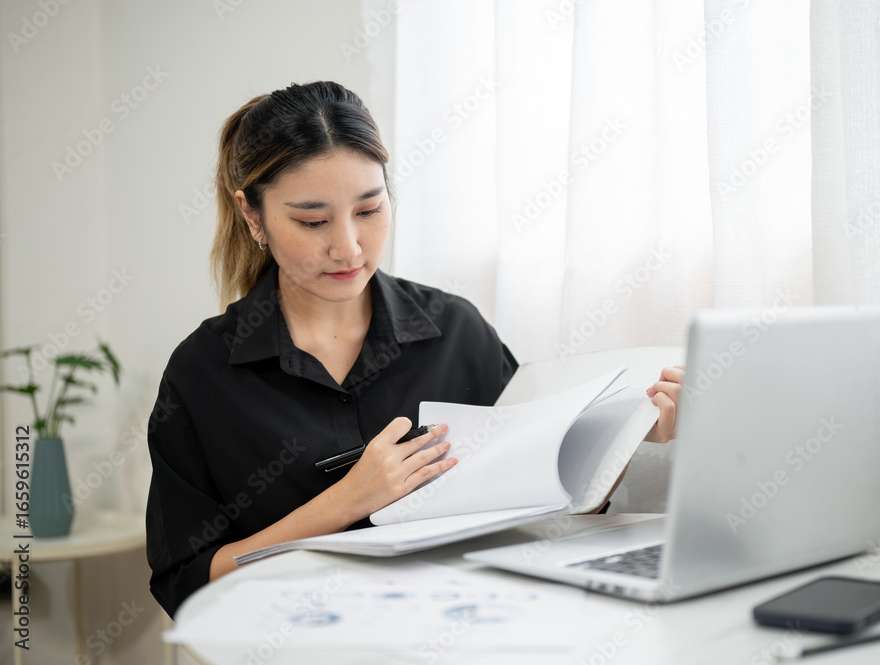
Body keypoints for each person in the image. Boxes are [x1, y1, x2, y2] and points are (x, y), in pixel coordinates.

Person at [144, 80, 683, 619]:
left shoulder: (456, 331)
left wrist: (624, 436)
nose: (349, 247)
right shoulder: (203, 374)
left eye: (370, 210)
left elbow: (540, 512)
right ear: (253, 215)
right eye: (313, 221)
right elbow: (188, 582)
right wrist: (348, 500)